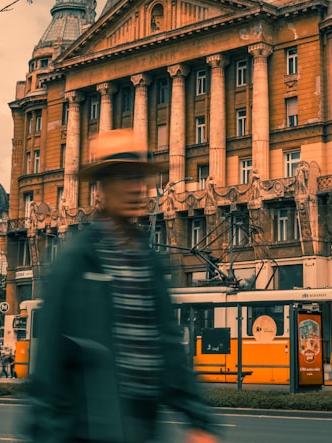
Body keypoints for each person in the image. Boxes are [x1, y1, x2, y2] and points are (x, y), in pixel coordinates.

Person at [26, 128, 219, 443]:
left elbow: (168, 345)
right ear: (102, 187)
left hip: (144, 428)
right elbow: (49, 366)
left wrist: (198, 418)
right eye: (124, 178)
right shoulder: (77, 260)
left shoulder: (148, 260)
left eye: (139, 178)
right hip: (90, 430)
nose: (136, 189)